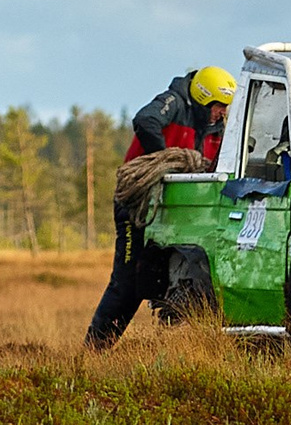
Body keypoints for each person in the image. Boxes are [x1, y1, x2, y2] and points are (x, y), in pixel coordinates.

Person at [86, 65, 236, 351]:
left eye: (226, 107)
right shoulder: (174, 103)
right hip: (138, 205)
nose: (222, 113)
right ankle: (95, 350)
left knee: (179, 278)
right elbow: (145, 120)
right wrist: (166, 158)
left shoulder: (219, 128)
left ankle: (182, 351)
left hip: (181, 211)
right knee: (128, 281)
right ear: (203, 99)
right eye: (218, 106)